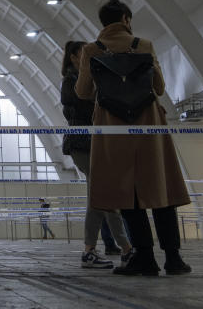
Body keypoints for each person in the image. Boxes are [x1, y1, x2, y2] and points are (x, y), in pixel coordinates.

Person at [76, 0, 191, 276]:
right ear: (126, 19)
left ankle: (145, 258)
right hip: (148, 124)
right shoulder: (145, 45)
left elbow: (81, 91)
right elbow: (159, 87)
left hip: (113, 127)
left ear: (103, 22)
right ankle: (173, 258)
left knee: (127, 194)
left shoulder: (92, 50)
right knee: (160, 191)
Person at [60, 40, 132, 268]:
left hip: (95, 142)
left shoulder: (90, 79)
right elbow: (75, 106)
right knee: (100, 195)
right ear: (73, 56)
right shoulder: (72, 81)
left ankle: (125, 248)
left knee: (104, 194)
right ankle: (92, 250)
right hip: (82, 144)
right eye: (83, 53)